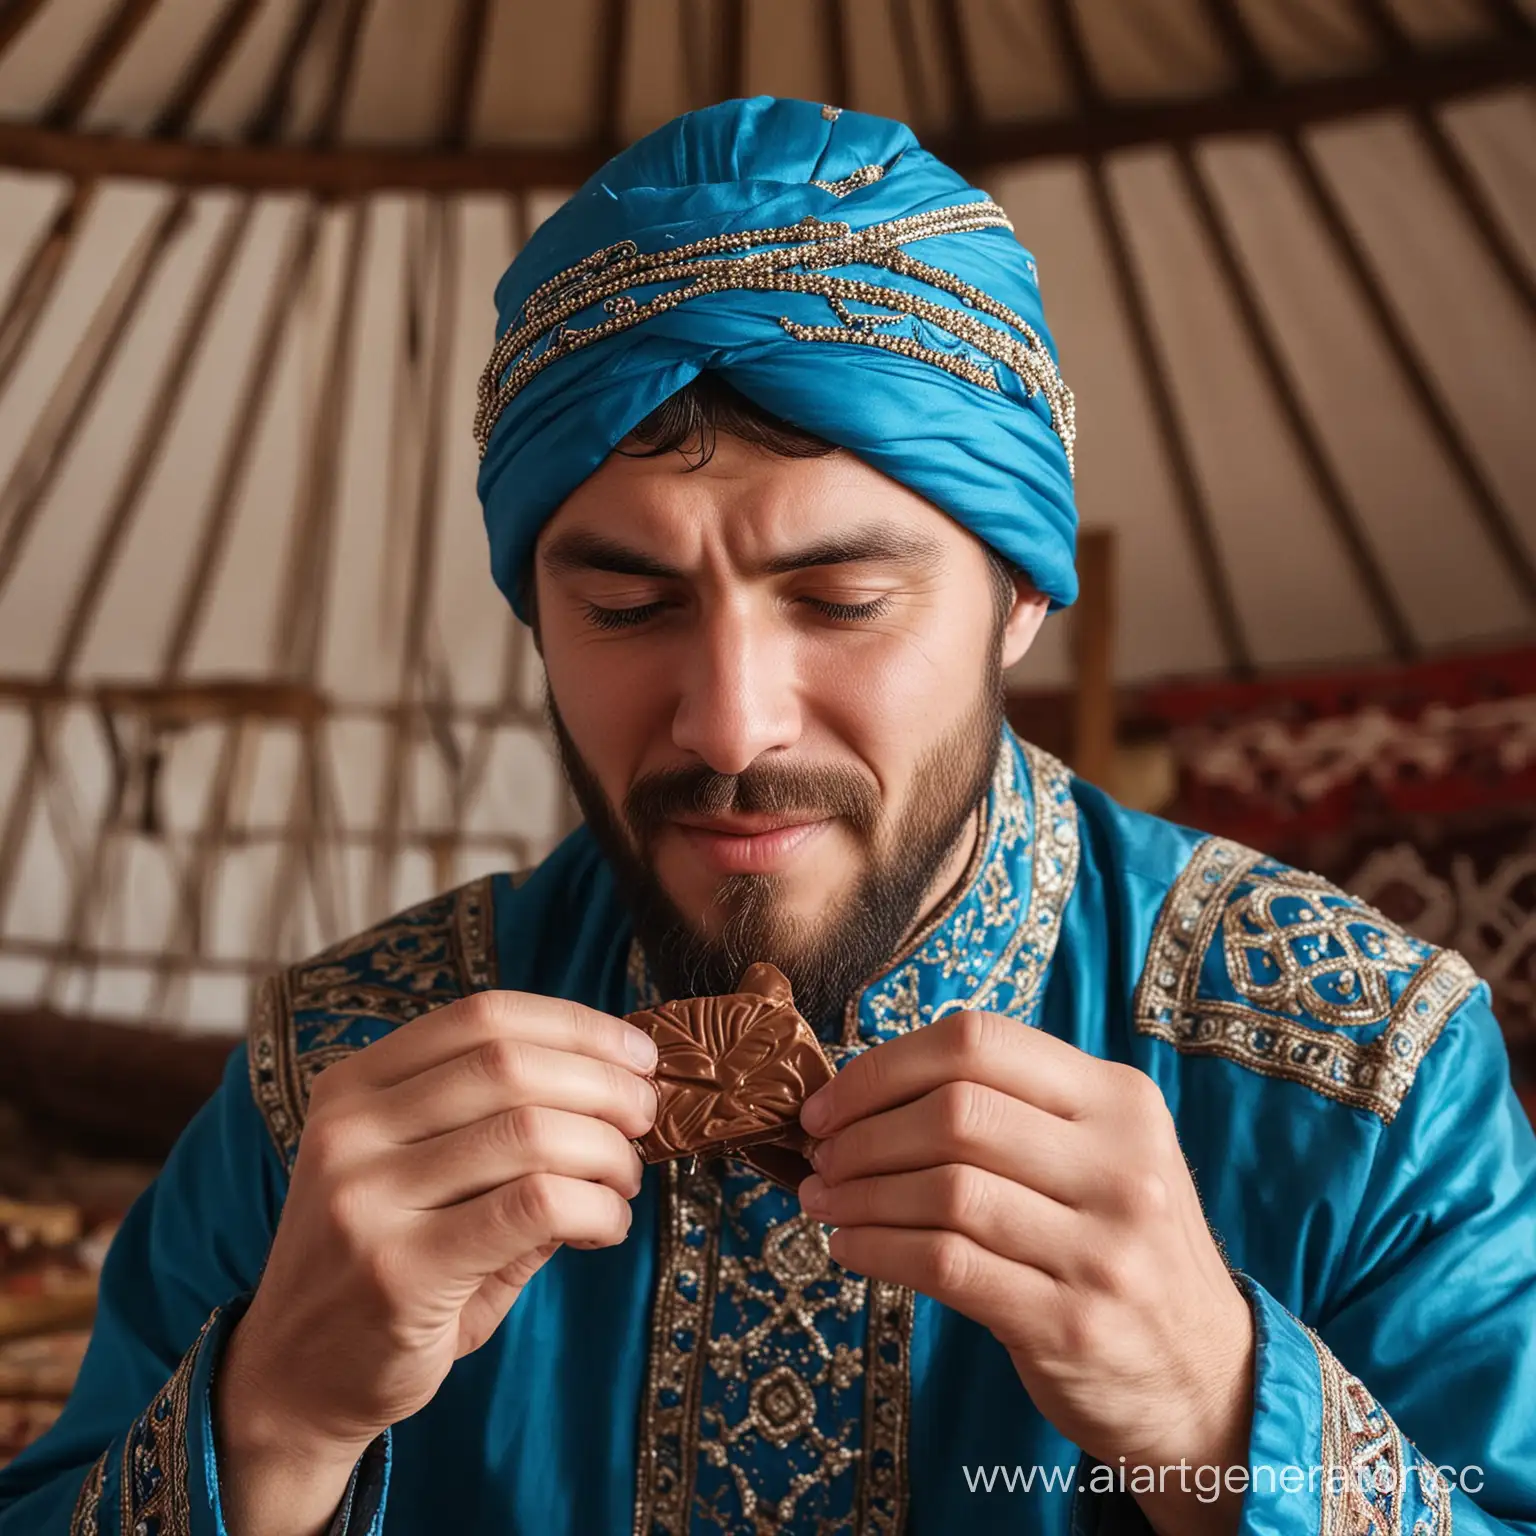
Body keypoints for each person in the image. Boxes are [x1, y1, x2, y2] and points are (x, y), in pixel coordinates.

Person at [2, 96, 1533, 1536]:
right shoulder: (329, 1087)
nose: (731, 723)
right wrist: (270, 1420)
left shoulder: (1362, 1077)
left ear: (1018, 595)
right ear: (534, 611)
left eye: (844, 600)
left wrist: (1220, 1418)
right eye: (624, 603)